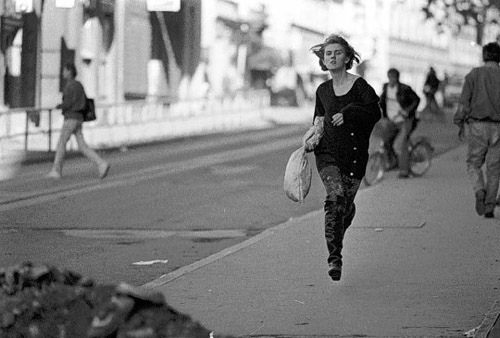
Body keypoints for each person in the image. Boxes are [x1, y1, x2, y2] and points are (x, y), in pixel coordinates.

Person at [303, 34, 381, 281]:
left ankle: (347, 213)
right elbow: (318, 120)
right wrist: (312, 138)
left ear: (347, 57)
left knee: (342, 208)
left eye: (337, 53)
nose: (332, 57)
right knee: (334, 199)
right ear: (323, 60)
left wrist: (349, 113)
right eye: (328, 54)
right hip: (327, 155)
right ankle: (334, 258)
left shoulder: (360, 87)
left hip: (354, 157)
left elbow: (374, 113)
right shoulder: (322, 90)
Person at [454, 42, 500, 219]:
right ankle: (489, 207)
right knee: (494, 169)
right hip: (499, 127)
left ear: (484, 56)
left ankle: (479, 190)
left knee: (473, 163)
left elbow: (464, 103)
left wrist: (459, 122)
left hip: (477, 125)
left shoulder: (474, 75)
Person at [46, 63, 110, 180]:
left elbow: (68, 103)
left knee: (61, 143)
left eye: (65, 70)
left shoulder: (70, 86)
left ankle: (56, 170)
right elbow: (85, 101)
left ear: (70, 72)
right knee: (82, 146)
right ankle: (101, 163)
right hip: (79, 119)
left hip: (70, 118)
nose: (63, 73)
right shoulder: (80, 85)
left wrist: (60, 106)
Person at [379, 68, 421, 178]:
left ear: (397, 78)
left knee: (400, 145)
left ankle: (404, 171)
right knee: (386, 140)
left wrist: (407, 110)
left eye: (393, 77)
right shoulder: (386, 88)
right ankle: (393, 163)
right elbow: (381, 102)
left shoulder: (404, 89)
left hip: (405, 121)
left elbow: (416, 100)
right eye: (389, 77)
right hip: (392, 120)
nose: (391, 80)